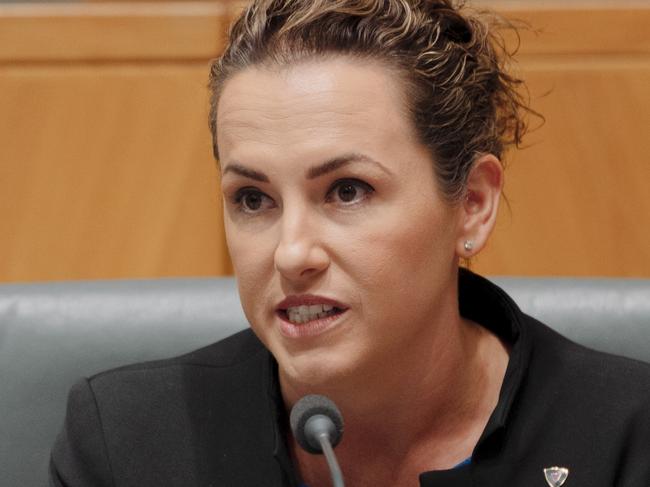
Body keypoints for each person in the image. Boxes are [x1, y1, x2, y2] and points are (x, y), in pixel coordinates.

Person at [49, 1, 650, 486]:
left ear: (472, 205)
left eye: (347, 191)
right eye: (253, 199)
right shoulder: (128, 440)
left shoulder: (626, 434)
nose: (291, 254)